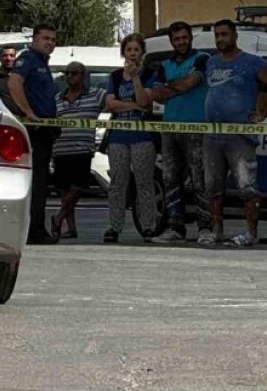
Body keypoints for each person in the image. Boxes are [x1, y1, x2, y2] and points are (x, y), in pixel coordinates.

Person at [204, 20, 267, 247]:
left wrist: (263, 113)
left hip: (240, 135)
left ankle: (251, 232)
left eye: (225, 34)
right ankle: (216, 231)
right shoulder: (211, 62)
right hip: (211, 134)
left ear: (235, 35)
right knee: (213, 186)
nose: (221, 39)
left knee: (246, 185)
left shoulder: (251, 62)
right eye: (217, 35)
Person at [150, 21, 214, 244]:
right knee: (170, 179)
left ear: (190, 38)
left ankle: (205, 228)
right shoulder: (164, 64)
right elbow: (156, 94)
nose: (181, 42)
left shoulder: (202, 58)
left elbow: (191, 82)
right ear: (171, 41)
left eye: (184, 37)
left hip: (196, 128)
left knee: (200, 179)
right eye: (176, 39)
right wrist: (172, 87)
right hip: (169, 129)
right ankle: (175, 227)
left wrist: (169, 87)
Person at [103, 33, 160, 244]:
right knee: (118, 183)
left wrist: (135, 77)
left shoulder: (149, 74)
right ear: (123, 52)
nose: (133, 53)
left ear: (142, 53)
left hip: (142, 136)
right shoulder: (115, 76)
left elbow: (145, 100)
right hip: (118, 136)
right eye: (129, 50)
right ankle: (115, 226)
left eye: (136, 50)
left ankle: (147, 226)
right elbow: (110, 104)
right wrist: (133, 106)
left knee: (144, 182)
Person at [9, 25, 61, 245]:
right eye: (45, 38)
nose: (50, 42)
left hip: (45, 129)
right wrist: (29, 113)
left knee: (41, 180)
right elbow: (14, 83)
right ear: (35, 39)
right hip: (34, 129)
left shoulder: (42, 63)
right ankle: (34, 229)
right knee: (36, 181)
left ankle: (35, 226)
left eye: (53, 39)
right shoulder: (28, 59)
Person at [50, 62, 104, 241]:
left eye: (74, 73)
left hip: (82, 148)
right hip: (61, 149)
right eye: (67, 73)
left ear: (83, 75)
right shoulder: (57, 98)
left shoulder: (95, 95)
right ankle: (71, 228)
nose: (70, 77)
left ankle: (57, 218)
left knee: (78, 186)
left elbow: (111, 100)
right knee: (65, 191)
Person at [0, 45, 21, 115]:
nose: (8, 58)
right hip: (1, 117)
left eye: (12, 56)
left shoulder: (22, 77)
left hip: (22, 118)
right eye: (5, 56)